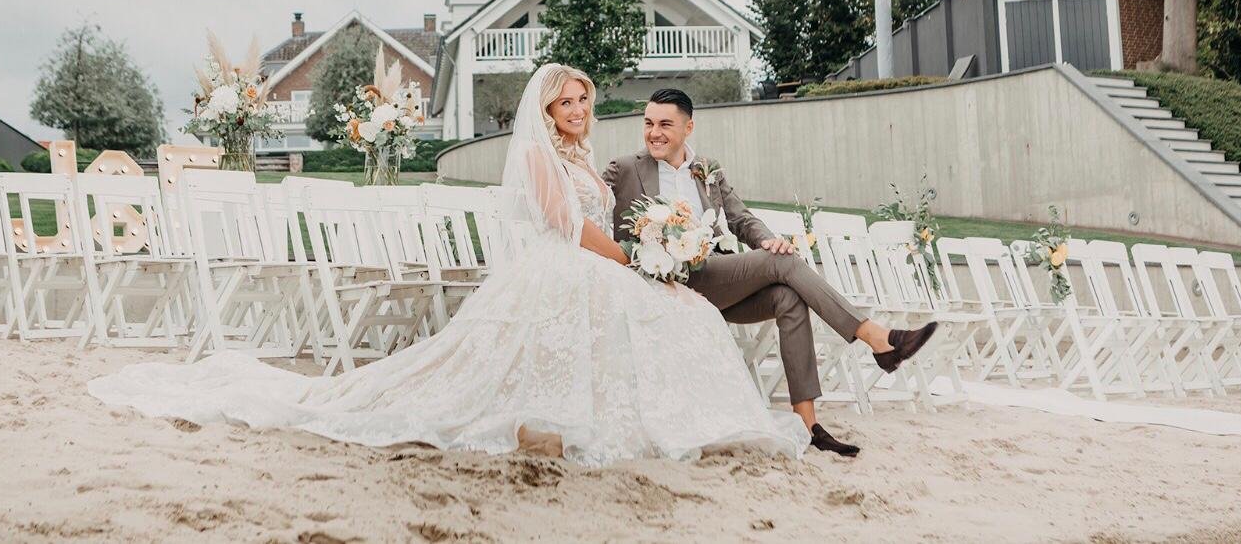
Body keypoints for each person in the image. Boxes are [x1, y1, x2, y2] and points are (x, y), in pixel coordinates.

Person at [88, 64, 810, 466]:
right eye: (567, 102)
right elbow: (569, 226)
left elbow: (604, 215)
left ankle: (642, 418)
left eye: (584, 101)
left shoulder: (588, 158)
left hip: (590, 266)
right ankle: (556, 424)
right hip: (561, 266)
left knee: (674, 310)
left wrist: (648, 256)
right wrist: (632, 262)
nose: (578, 110)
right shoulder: (538, 157)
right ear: (546, 110)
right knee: (651, 309)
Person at [603, 87, 938, 455]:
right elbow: (592, 212)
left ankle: (807, 425)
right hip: (667, 285)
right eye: (648, 123)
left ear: (689, 127)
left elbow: (741, 219)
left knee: (788, 297)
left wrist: (768, 240)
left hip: (713, 280)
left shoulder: (707, 170)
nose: (654, 133)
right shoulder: (626, 168)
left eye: (665, 124)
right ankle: (876, 337)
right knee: (782, 262)